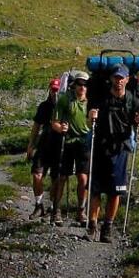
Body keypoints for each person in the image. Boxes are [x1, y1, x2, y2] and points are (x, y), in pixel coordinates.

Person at [86, 64, 139, 243]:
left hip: (120, 149)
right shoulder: (101, 99)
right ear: (111, 78)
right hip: (100, 148)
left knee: (115, 192)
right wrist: (91, 117)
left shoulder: (133, 100)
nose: (118, 81)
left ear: (127, 79)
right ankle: (92, 225)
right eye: (116, 77)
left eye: (122, 78)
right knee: (95, 190)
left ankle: (108, 227)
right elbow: (90, 123)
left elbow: (138, 126)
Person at [48, 71, 91, 224]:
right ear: (74, 85)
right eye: (80, 83)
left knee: (83, 177)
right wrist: (61, 129)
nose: (82, 87)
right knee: (63, 177)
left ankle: (81, 211)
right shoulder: (65, 99)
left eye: (85, 84)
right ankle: (56, 210)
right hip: (67, 141)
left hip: (84, 141)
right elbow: (55, 122)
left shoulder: (91, 102)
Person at [25, 78, 61, 219]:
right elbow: (36, 126)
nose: (55, 93)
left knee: (56, 178)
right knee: (36, 174)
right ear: (49, 90)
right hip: (44, 144)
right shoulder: (44, 106)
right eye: (53, 90)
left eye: (57, 90)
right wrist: (31, 144)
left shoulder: (63, 106)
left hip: (59, 146)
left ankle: (52, 207)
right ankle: (39, 204)